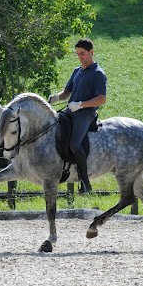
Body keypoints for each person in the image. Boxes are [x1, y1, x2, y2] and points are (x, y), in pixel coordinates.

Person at [48, 38, 107, 194]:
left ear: (91, 53)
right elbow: (66, 93)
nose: (80, 57)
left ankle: (85, 182)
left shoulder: (98, 73)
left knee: (75, 144)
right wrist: (55, 97)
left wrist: (81, 104)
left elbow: (101, 98)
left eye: (83, 54)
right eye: (78, 54)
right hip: (70, 111)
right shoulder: (77, 71)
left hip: (85, 114)